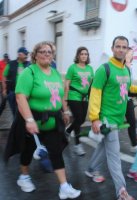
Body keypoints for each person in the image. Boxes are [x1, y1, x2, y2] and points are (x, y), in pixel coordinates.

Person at [4, 41, 81, 199]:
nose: (47, 54)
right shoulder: (29, 72)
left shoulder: (54, 73)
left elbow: (59, 95)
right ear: (35, 55)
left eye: (50, 52)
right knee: (27, 150)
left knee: (56, 152)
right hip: (34, 122)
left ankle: (64, 186)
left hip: (52, 122)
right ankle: (23, 177)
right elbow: (20, 97)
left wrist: (64, 110)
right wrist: (29, 120)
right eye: (43, 51)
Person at [85, 36, 137, 200]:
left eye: (124, 47)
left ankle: (90, 169)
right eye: (117, 46)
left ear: (127, 50)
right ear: (112, 48)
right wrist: (95, 118)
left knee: (104, 147)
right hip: (107, 119)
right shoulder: (104, 69)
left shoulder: (125, 70)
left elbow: (126, 88)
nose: (120, 49)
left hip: (117, 120)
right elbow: (95, 94)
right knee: (114, 155)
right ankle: (121, 191)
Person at [64, 46, 94, 156]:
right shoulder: (73, 68)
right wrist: (65, 99)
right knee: (79, 117)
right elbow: (66, 84)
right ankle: (77, 145)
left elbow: (92, 84)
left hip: (85, 97)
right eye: (82, 54)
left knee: (81, 120)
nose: (84, 56)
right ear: (78, 55)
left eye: (86, 54)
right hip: (74, 95)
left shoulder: (90, 68)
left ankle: (67, 131)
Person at [2, 47, 30, 116]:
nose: (26, 56)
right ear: (19, 54)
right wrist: (4, 89)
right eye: (25, 54)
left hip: (24, 92)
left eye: (27, 54)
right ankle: (16, 125)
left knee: (22, 111)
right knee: (14, 111)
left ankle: (19, 124)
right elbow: (4, 76)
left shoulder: (28, 64)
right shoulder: (11, 64)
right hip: (12, 91)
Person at [124, 48, 137, 152]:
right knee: (113, 124)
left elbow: (130, 85)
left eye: (132, 55)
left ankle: (134, 145)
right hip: (119, 100)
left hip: (128, 99)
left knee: (132, 121)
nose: (131, 56)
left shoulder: (130, 67)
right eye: (129, 54)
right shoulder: (122, 67)